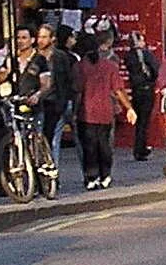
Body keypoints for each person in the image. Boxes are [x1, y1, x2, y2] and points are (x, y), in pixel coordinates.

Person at [76, 32, 135, 190]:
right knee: (104, 145)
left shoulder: (80, 67)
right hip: (105, 112)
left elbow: (77, 90)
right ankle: (105, 175)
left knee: (89, 146)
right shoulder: (110, 66)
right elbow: (118, 90)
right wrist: (129, 108)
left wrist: (74, 111)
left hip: (86, 112)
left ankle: (91, 176)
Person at [33, 21, 78, 155]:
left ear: (52, 39)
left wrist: (67, 101)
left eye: (44, 37)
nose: (41, 40)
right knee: (41, 139)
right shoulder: (34, 56)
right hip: (38, 102)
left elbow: (68, 80)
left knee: (52, 140)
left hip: (56, 102)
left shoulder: (61, 57)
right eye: (39, 37)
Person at [122, 29, 160, 160]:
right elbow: (155, 69)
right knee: (144, 121)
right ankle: (140, 149)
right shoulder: (146, 54)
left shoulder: (129, 56)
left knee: (139, 120)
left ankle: (139, 147)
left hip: (135, 90)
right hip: (146, 88)